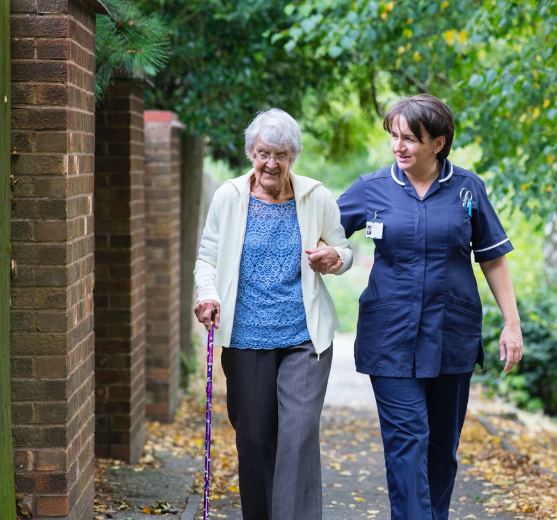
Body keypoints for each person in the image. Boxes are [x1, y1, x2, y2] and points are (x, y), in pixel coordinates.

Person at [335, 94, 524, 520]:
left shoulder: (467, 189)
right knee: (408, 441)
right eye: (394, 137)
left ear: (438, 143)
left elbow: (492, 258)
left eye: (410, 139)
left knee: (441, 447)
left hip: (450, 336)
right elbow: (324, 229)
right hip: (390, 338)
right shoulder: (372, 187)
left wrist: (511, 324)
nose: (398, 147)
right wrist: (331, 254)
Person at [193, 108, 351, 520]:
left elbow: (344, 250)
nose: (271, 163)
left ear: (293, 156)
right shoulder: (229, 197)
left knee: (297, 437)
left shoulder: (315, 196)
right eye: (264, 152)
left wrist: (335, 258)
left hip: (304, 338)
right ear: (251, 152)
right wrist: (207, 296)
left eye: (281, 154)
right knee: (256, 441)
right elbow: (206, 260)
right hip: (245, 338)